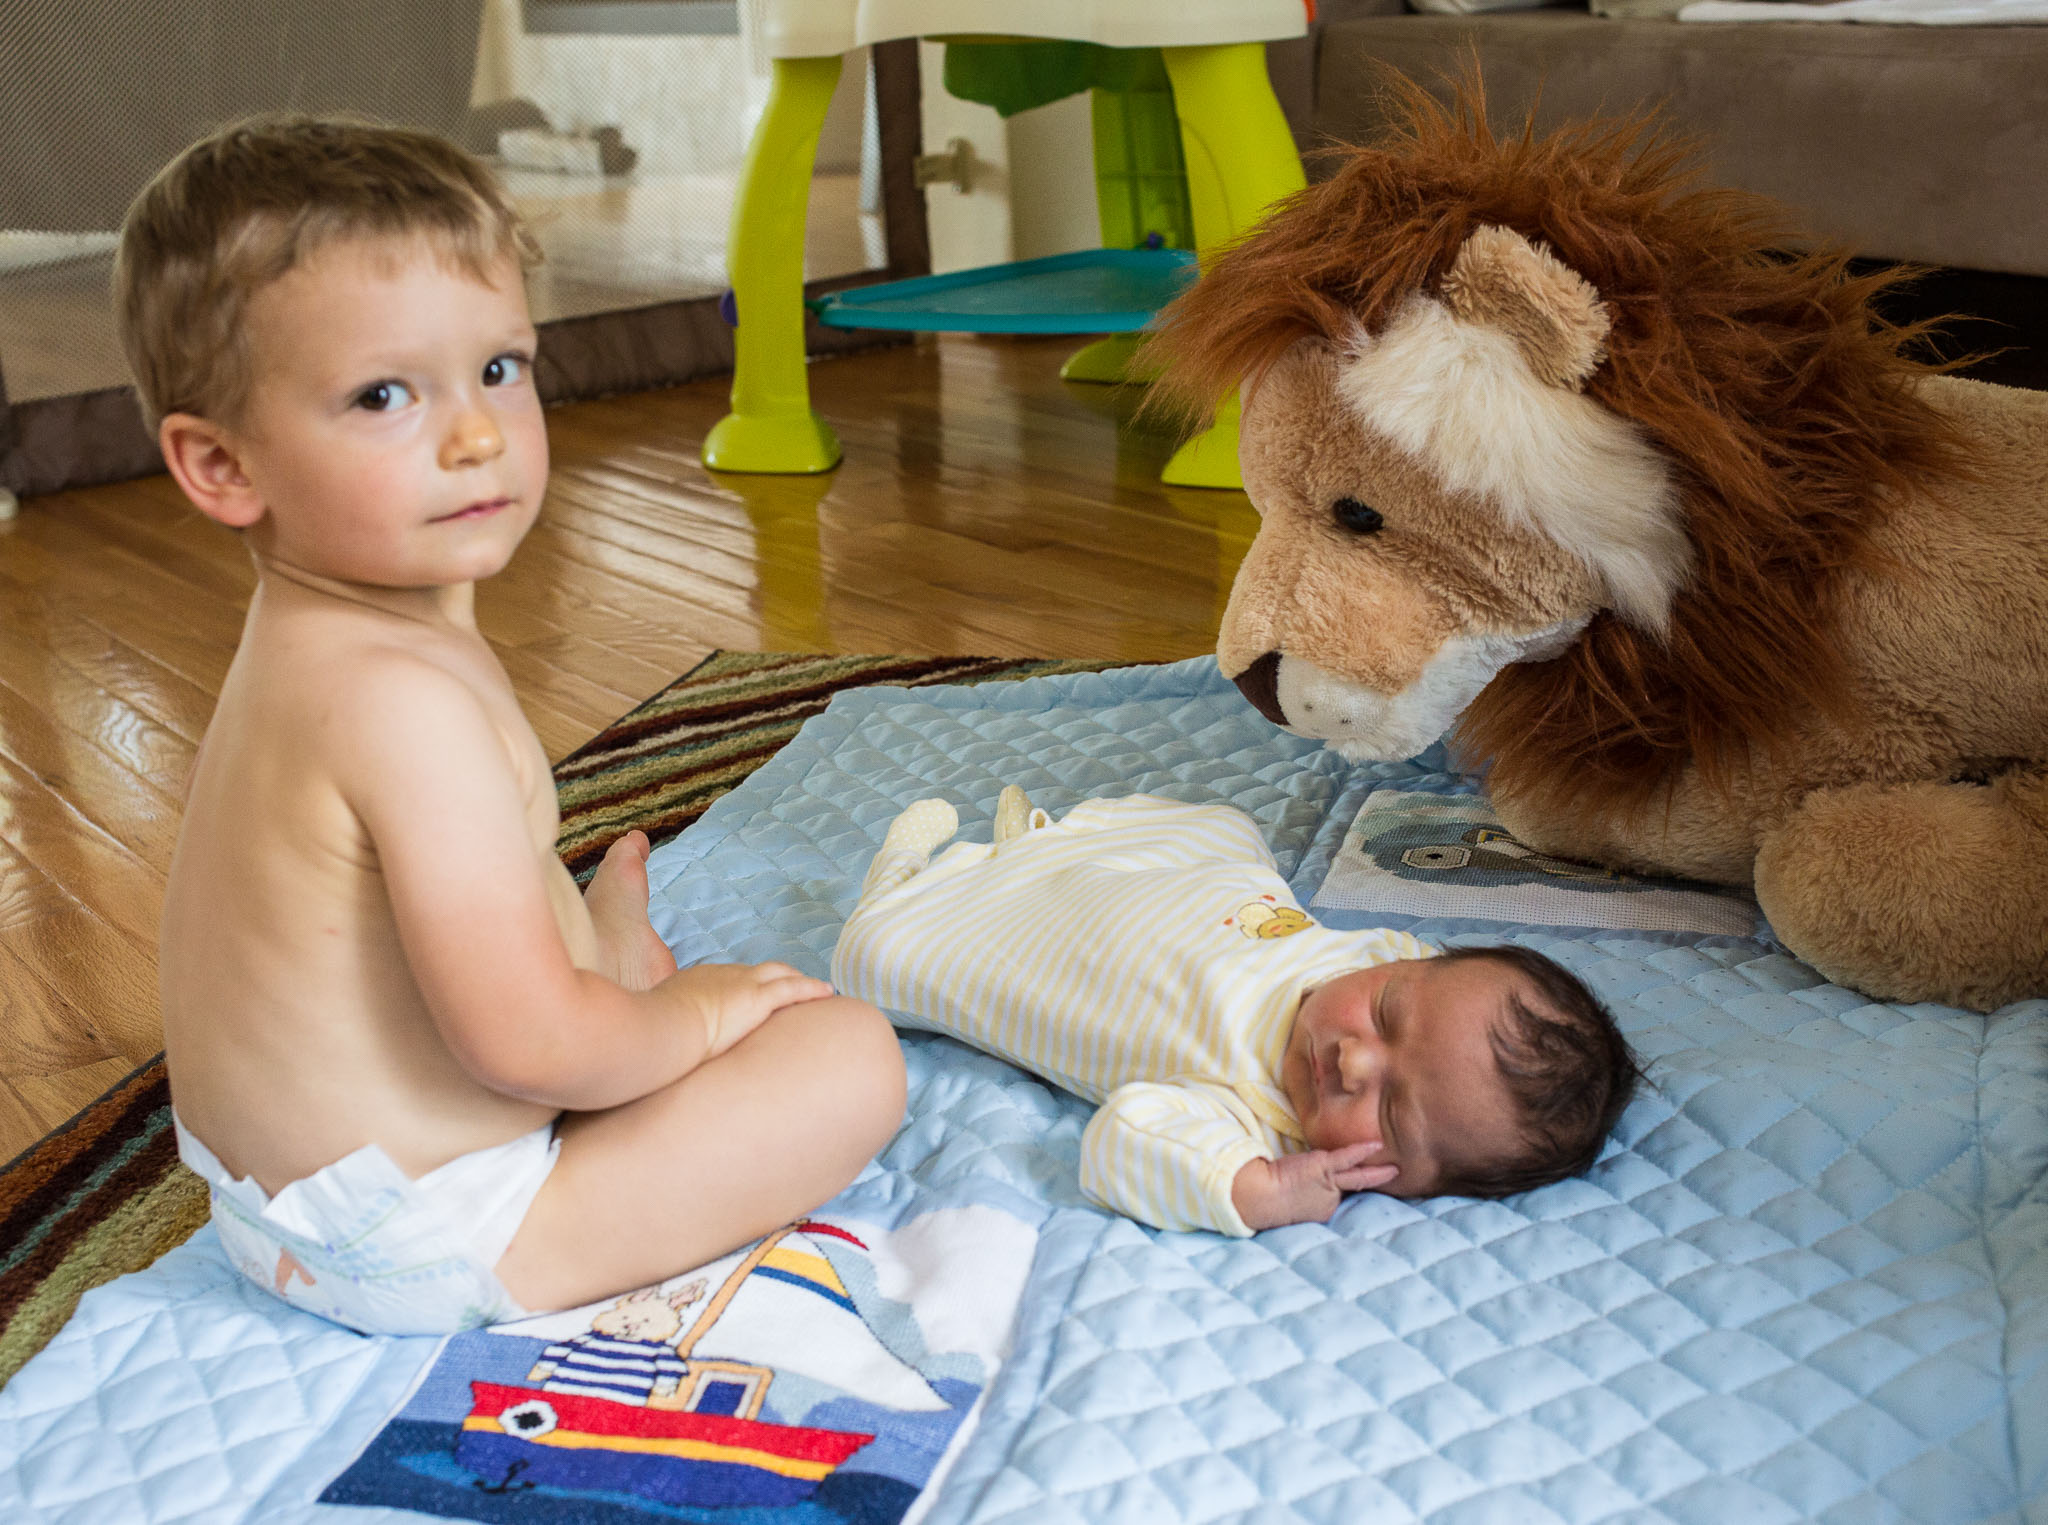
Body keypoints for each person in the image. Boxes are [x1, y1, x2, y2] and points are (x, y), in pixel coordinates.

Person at [121, 116, 905, 1336]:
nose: (478, 433)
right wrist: (686, 1018)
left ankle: (601, 978)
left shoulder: (314, 644)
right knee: (847, 1056)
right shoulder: (402, 702)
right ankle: (601, 1057)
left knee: (578, 972)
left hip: (284, 1200)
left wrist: (592, 969)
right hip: (426, 1235)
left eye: (498, 368)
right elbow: (523, 1044)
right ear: (224, 466)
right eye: (384, 394)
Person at [833, 790, 1637, 1235]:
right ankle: (1040, 841)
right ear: (1408, 968)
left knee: (874, 958)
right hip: (1168, 878)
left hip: (1038, 938)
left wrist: (1250, 1189)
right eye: (1387, 1013)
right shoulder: (1389, 957)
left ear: (1415, 1187)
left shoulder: (1256, 1123)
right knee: (1226, 825)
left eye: (1392, 1109)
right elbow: (1455, 984)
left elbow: (1119, 1142)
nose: (1356, 1058)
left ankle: (899, 875)